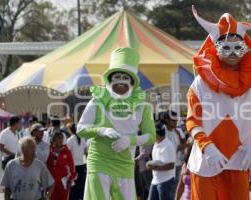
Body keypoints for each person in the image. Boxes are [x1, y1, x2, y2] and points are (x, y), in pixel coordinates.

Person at [186, 5, 251, 200]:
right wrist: (207, 146)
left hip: (239, 162)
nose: (232, 52)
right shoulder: (199, 84)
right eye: (226, 46)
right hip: (207, 164)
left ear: (245, 48)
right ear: (215, 47)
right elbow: (192, 121)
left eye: (237, 46)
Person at [77, 47, 156, 200]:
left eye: (125, 77)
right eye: (117, 77)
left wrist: (130, 140)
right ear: (110, 81)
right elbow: (81, 129)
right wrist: (101, 130)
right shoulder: (97, 101)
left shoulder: (143, 106)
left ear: (132, 83)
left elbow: (151, 136)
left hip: (125, 164)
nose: (120, 81)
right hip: (99, 162)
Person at [147, 122, 176, 200]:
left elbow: (171, 166)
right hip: (155, 180)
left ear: (155, 133)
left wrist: (153, 167)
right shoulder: (156, 144)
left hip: (166, 181)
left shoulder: (168, 145)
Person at [47, 130, 77, 200]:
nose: (61, 140)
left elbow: (72, 167)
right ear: (53, 139)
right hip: (50, 182)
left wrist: (70, 179)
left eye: (62, 138)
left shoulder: (67, 151)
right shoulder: (48, 150)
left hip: (63, 182)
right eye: (58, 138)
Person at [164, 111, 187, 186]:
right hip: (167, 165)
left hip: (178, 163)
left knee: (176, 187)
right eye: (173, 120)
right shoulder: (162, 132)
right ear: (167, 120)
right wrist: (188, 144)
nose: (176, 122)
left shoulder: (177, 131)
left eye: (176, 120)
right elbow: (173, 148)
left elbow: (181, 144)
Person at [67, 123, 87, 200]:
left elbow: (68, 153)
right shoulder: (83, 138)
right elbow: (85, 150)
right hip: (82, 164)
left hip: (73, 166)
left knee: (74, 186)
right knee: (81, 185)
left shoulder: (70, 140)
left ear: (71, 130)